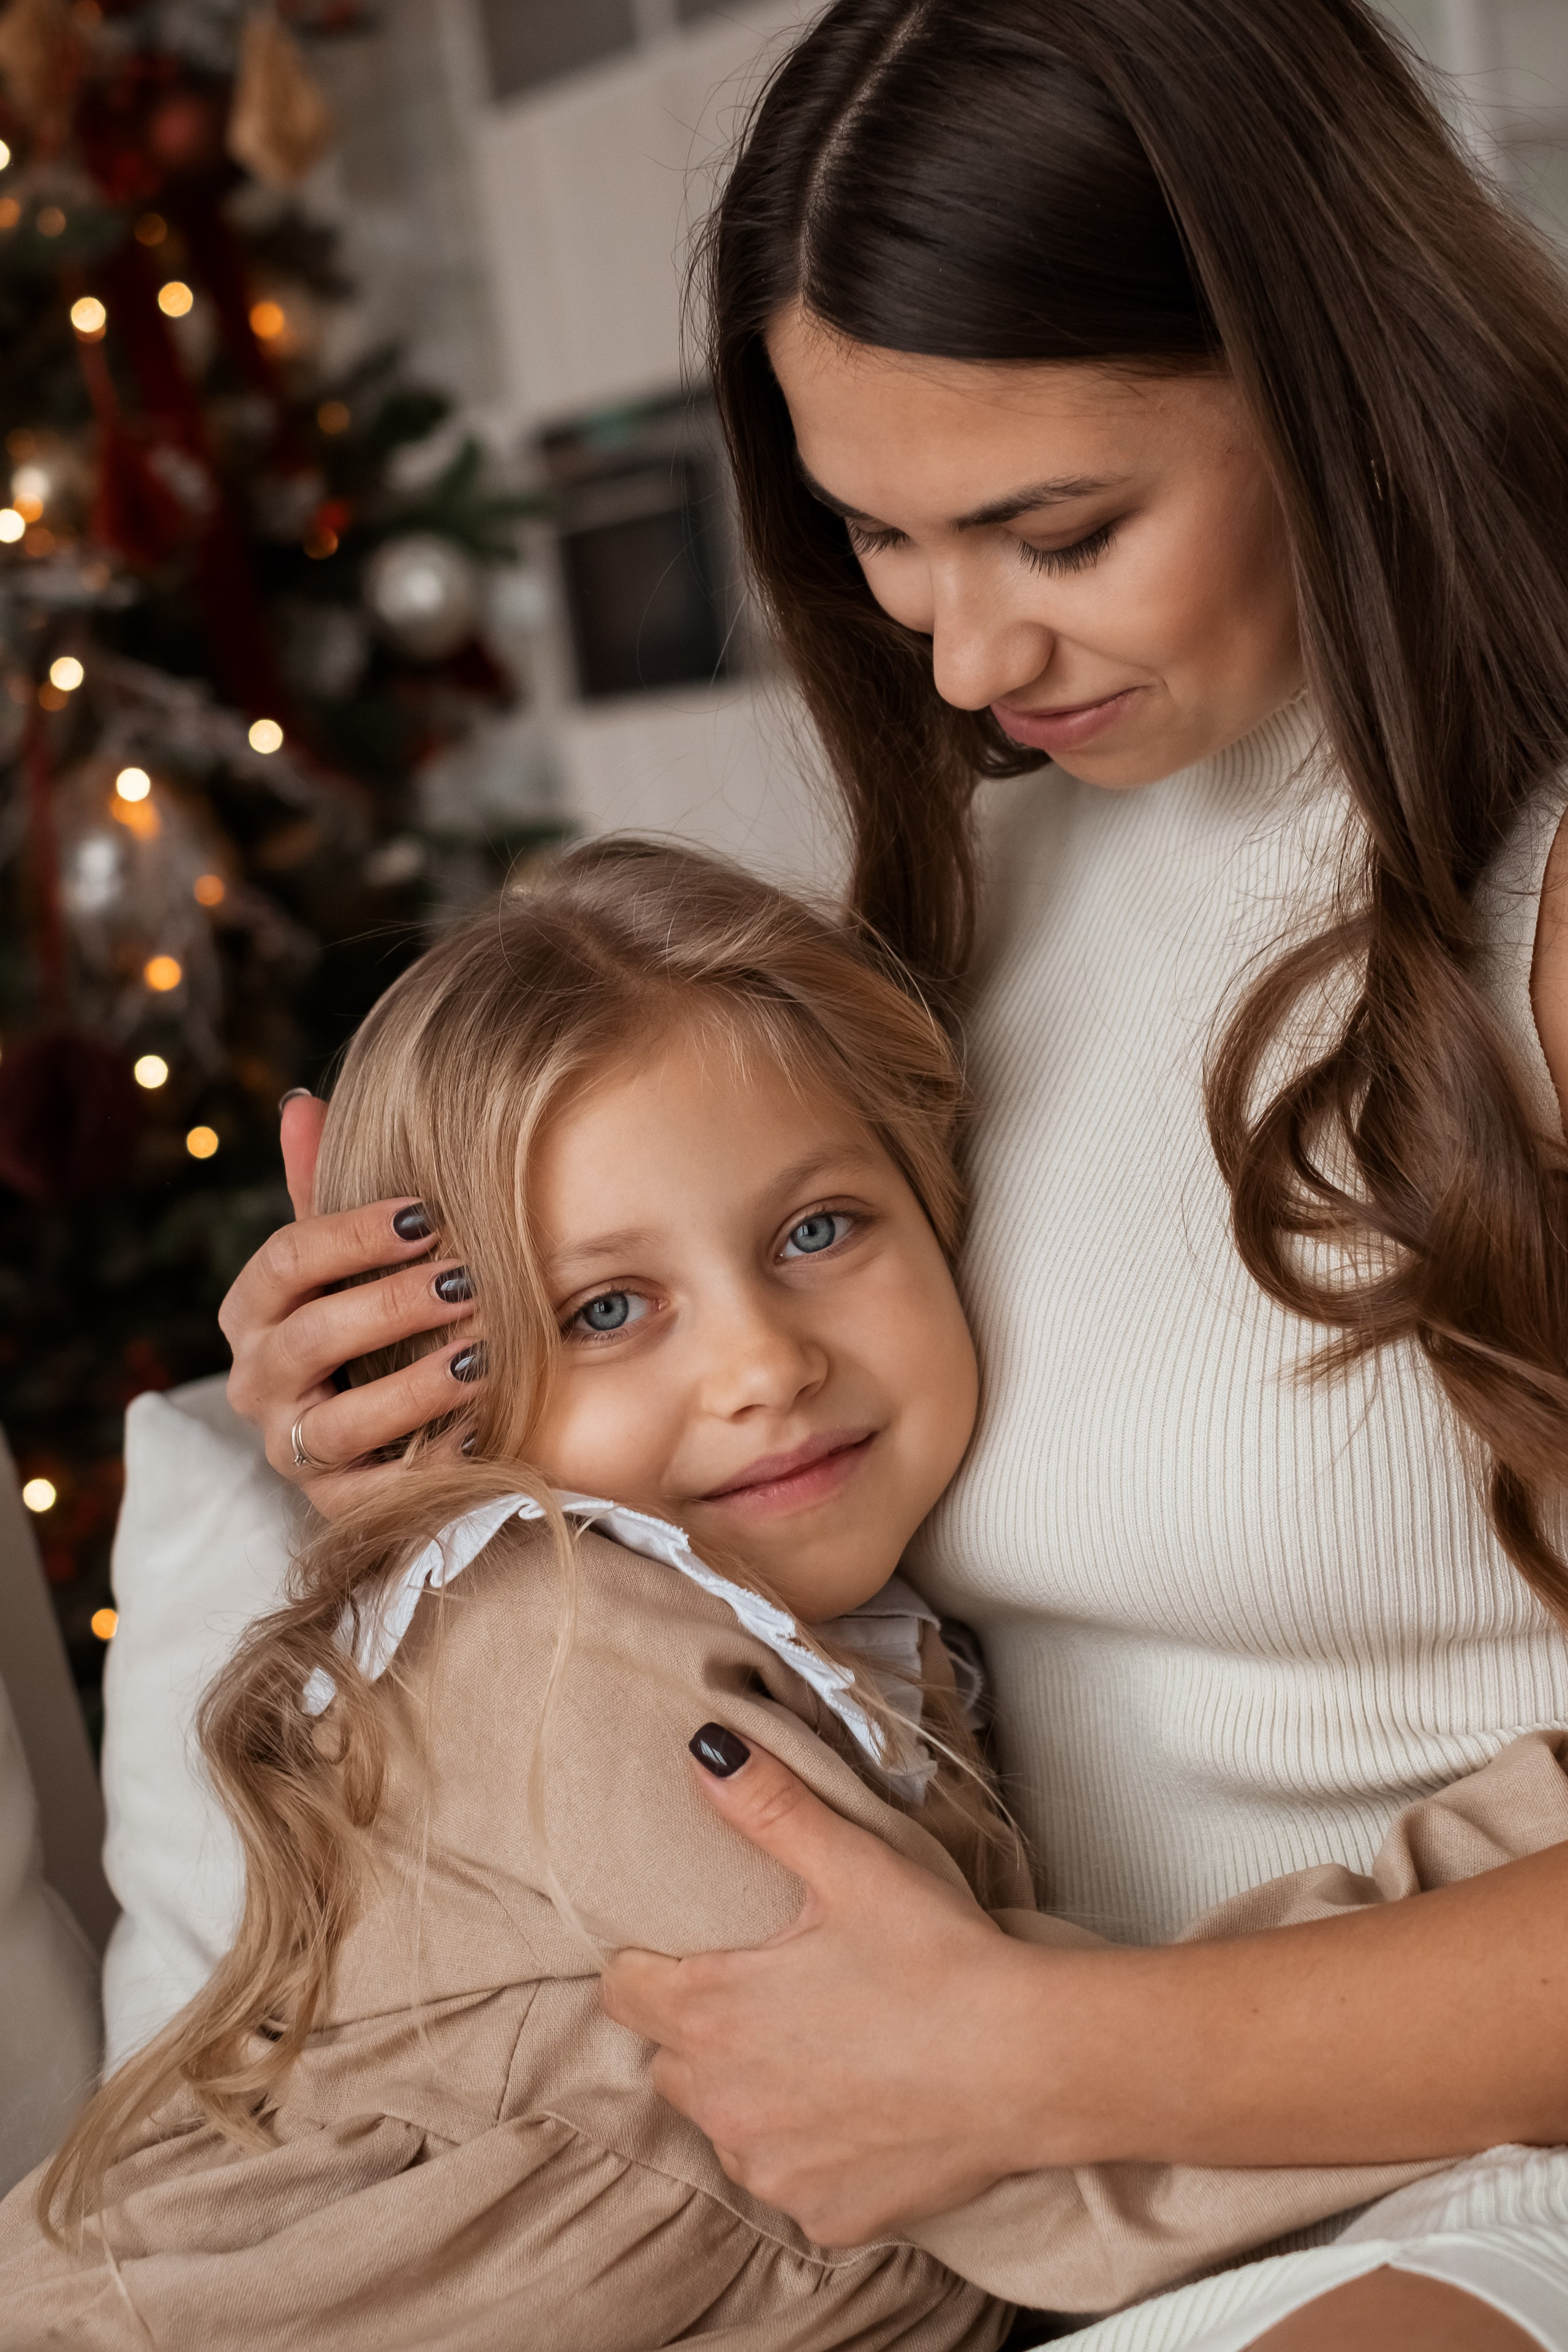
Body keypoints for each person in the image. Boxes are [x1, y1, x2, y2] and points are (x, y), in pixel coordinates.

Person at [217, 2, 1568, 2346]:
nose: (958, 652)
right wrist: (392, 1410)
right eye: (875, 536)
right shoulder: (962, 909)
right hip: (991, 2209)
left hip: (1455, 2166)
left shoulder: (1539, 905)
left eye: (1062, 531)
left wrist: (1030, 2059)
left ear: (1344, 382)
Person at [10, 842, 1553, 2348]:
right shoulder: (577, 1663)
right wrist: (1512, 1845)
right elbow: (1043, 2158)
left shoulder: (826, 1635)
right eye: (608, 1309)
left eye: (816, 1231)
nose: (761, 1366)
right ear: (434, 1383)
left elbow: (1033, 2058)